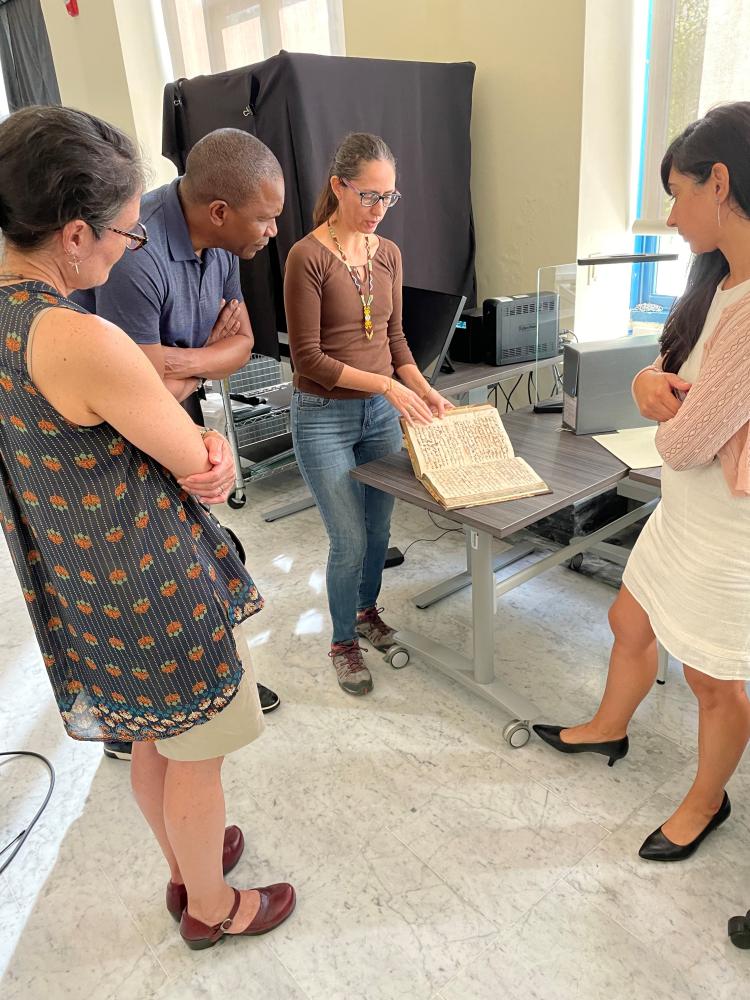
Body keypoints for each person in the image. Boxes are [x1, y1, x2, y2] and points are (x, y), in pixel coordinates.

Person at [0, 105, 295, 947]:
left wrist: (173, 380)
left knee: (154, 738)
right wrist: (202, 434)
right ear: (74, 236)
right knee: (199, 746)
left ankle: (186, 866)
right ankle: (212, 907)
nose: (134, 249)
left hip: (76, 575)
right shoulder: (81, 338)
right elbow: (201, 464)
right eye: (127, 236)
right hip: (151, 575)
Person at [534, 102, 750, 870]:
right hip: (685, 511)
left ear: (719, 184)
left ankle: (706, 801)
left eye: (678, 191)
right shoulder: (719, 280)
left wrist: (662, 412)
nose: (669, 212)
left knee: (712, 678)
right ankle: (608, 726)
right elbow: (672, 382)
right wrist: (651, 383)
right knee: (631, 618)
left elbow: (687, 440)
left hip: (728, 529)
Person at [75, 128, 286, 761]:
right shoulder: (137, 254)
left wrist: (179, 364)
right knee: (137, 583)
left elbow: (241, 346)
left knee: (198, 565)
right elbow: (132, 383)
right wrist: (192, 364)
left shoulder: (223, 246)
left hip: (179, 414)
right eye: (267, 217)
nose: (272, 230)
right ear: (220, 211)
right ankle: (130, 720)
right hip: (115, 441)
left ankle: (209, 687)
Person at [284, 132, 453, 696]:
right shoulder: (307, 256)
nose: (379, 209)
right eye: (369, 196)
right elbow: (308, 357)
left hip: (379, 416)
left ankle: (364, 612)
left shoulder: (389, 255)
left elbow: (396, 337)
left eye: (389, 198)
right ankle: (342, 642)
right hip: (323, 416)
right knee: (349, 539)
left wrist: (424, 390)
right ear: (338, 186)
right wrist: (386, 384)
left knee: (380, 532)